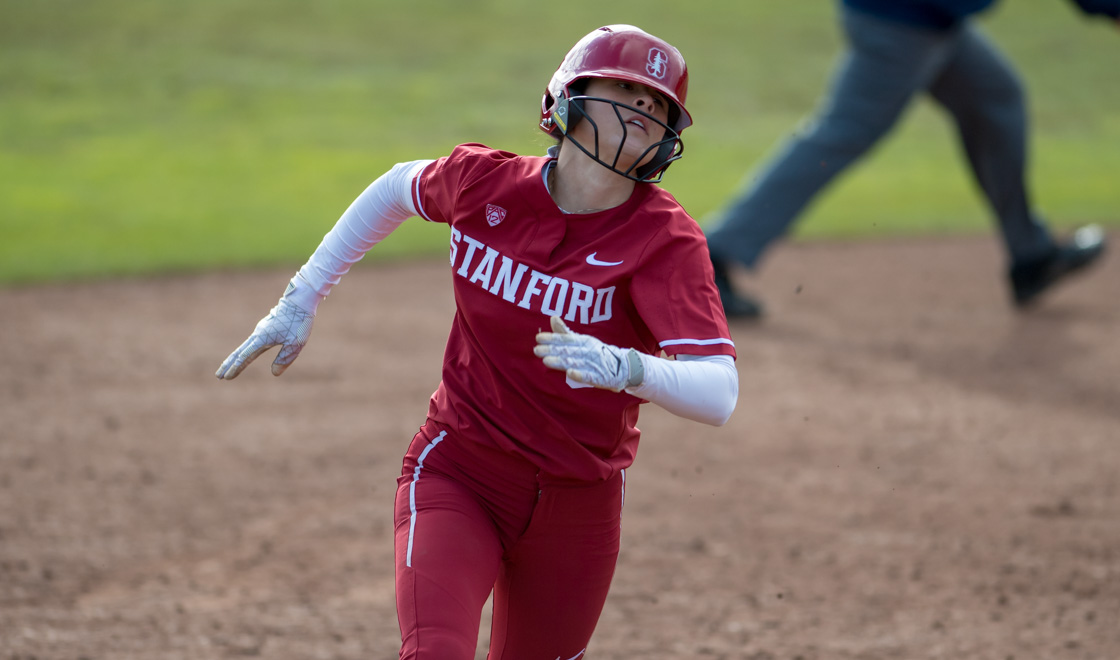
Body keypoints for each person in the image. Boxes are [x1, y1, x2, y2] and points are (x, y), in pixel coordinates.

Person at [215, 25, 738, 660]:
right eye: (625, 91)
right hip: (460, 469)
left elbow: (719, 393)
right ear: (567, 99)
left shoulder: (665, 240)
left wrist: (627, 368)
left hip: (580, 500)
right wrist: (301, 297)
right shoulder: (484, 184)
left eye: (657, 105)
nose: (642, 110)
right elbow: (396, 188)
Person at [706, 0, 1120, 318]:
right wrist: (1113, 6)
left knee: (997, 99)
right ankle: (715, 255)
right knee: (838, 136)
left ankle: (1031, 255)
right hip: (903, 21)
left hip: (929, 18)